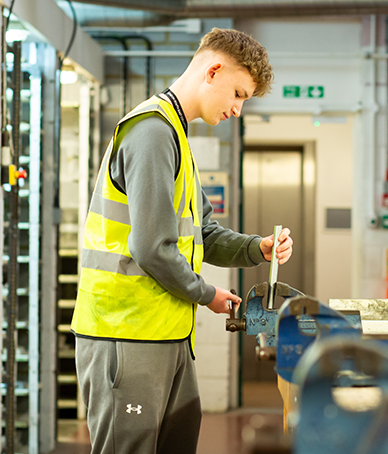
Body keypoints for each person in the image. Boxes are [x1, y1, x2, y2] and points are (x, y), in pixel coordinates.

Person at [71, 27, 294, 454]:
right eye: (238, 94)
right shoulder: (152, 133)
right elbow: (152, 247)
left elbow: (202, 232)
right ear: (213, 71)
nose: (238, 109)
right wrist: (206, 294)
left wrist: (257, 248)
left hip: (166, 333)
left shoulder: (176, 135)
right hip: (126, 333)